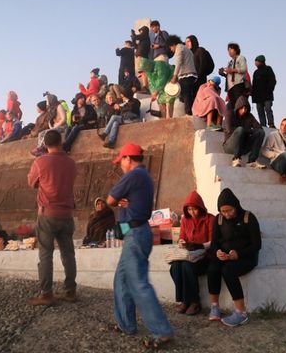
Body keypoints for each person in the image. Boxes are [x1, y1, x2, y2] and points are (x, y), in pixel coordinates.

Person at [106, 143, 173, 349]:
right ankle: (126, 324)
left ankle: (162, 332)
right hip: (135, 232)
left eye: (121, 161)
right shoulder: (143, 177)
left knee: (138, 283)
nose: (120, 166)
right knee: (122, 280)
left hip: (136, 233)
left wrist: (117, 202)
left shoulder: (133, 175)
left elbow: (109, 199)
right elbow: (127, 210)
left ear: (128, 158)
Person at [27, 130, 77, 306]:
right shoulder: (71, 163)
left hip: (47, 213)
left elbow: (32, 183)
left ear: (45, 144)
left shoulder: (40, 161)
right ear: (61, 141)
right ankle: (70, 290)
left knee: (46, 254)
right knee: (68, 253)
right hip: (67, 214)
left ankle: (46, 294)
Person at [208, 188, 261, 327]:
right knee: (213, 267)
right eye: (223, 211)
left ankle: (241, 313)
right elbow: (214, 243)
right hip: (226, 256)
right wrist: (218, 252)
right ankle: (215, 307)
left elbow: (257, 245)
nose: (227, 214)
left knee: (228, 270)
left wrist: (239, 254)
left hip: (247, 257)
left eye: (229, 210)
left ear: (236, 206)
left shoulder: (248, 217)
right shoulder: (218, 219)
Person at [170, 191, 214, 315]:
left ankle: (195, 302)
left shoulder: (210, 219)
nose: (192, 212)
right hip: (189, 255)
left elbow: (213, 241)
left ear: (200, 207)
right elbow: (181, 237)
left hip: (205, 256)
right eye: (189, 209)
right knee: (174, 267)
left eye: (195, 209)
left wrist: (200, 245)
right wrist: (182, 242)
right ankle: (184, 300)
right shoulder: (185, 220)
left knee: (186, 266)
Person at [223, 96, 266, 168]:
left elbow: (259, 128)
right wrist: (247, 131)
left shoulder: (249, 116)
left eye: (245, 108)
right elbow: (229, 130)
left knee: (260, 133)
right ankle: (236, 159)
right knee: (240, 130)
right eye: (242, 108)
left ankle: (251, 161)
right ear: (238, 107)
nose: (244, 110)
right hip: (230, 146)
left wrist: (246, 131)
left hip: (243, 146)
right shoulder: (229, 113)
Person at [167, 35, 198, 115]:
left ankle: (188, 113)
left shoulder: (179, 48)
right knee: (187, 95)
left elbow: (178, 62)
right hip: (191, 75)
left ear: (173, 44)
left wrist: (175, 75)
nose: (171, 50)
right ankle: (190, 111)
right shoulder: (186, 49)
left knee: (186, 94)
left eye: (170, 47)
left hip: (186, 75)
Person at [261, 116, 286, 184]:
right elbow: (264, 150)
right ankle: (284, 176)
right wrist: (276, 154)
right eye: (282, 124)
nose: (283, 127)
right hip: (277, 162)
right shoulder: (273, 135)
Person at [219, 43, 247, 108]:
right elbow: (229, 74)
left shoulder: (241, 58)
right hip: (230, 87)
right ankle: (235, 118)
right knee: (233, 106)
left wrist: (233, 70)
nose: (229, 52)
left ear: (236, 50)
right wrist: (223, 72)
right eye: (228, 50)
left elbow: (244, 69)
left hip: (238, 84)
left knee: (239, 104)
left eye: (231, 49)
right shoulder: (230, 62)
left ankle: (240, 118)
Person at [251, 55, 276, 128]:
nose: (255, 63)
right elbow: (254, 84)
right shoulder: (256, 72)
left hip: (267, 96)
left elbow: (273, 81)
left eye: (257, 61)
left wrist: (269, 90)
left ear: (261, 61)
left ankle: (271, 124)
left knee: (268, 109)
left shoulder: (268, 69)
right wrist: (252, 93)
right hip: (258, 97)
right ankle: (263, 125)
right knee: (260, 111)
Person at [131, 26, 150, 90]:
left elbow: (136, 37)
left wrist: (133, 34)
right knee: (141, 72)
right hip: (140, 56)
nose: (140, 32)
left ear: (144, 31)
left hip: (142, 56)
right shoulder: (142, 41)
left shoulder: (145, 36)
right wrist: (133, 39)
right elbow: (135, 46)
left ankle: (145, 86)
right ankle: (144, 86)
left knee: (143, 72)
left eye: (141, 31)